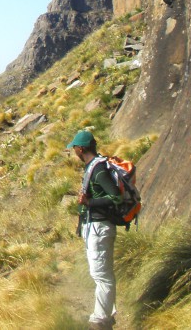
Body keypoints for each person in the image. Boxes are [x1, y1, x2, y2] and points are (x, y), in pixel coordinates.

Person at [67, 129, 121, 330]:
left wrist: (90, 202)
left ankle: (99, 320)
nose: (74, 151)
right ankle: (106, 316)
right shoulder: (93, 167)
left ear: (81, 149)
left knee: (101, 274)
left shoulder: (98, 169)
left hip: (100, 227)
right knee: (99, 272)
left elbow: (116, 197)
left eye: (74, 148)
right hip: (95, 227)